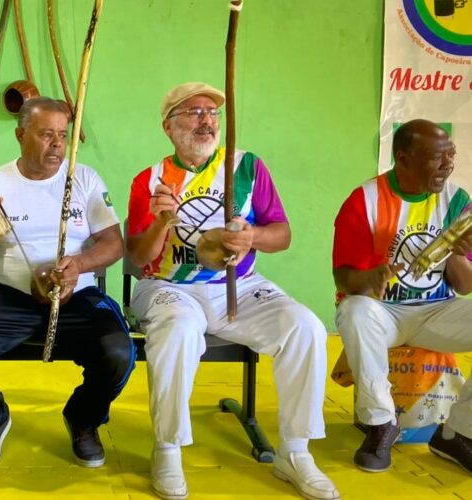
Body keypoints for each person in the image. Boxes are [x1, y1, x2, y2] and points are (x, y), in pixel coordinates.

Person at [127, 82, 339, 500]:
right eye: (193, 113)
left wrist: (254, 236)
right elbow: (138, 256)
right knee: (177, 330)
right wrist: (160, 222)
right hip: (169, 286)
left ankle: (295, 452)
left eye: (212, 112)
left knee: (306, 328)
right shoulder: (150, 180)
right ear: (168, 127)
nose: (206, 120)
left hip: (238, 285)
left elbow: (283, 234)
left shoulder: (246, 167)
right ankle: (167, 448)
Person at [0, 96, 135, 471]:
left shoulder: (84, 178)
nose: (57, 145)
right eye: (46, 134)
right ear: (20, 135)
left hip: (77, 295)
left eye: (63, 136)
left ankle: (83, 419)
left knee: (118, 353)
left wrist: (78, 265)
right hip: (10, 296)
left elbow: (114, 244)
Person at [334, 119, 472, 475]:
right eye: (436, 158)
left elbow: (465, 286)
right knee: (354, 311)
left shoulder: (458, 201)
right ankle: (381, 424)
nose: (447, 165)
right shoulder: (364, 200)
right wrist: (370, 277)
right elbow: (343, 278)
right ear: (403, 158)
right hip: (383, 311)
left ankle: (458, 433)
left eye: (450, 156)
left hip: (435, 310)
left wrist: (457, 254)